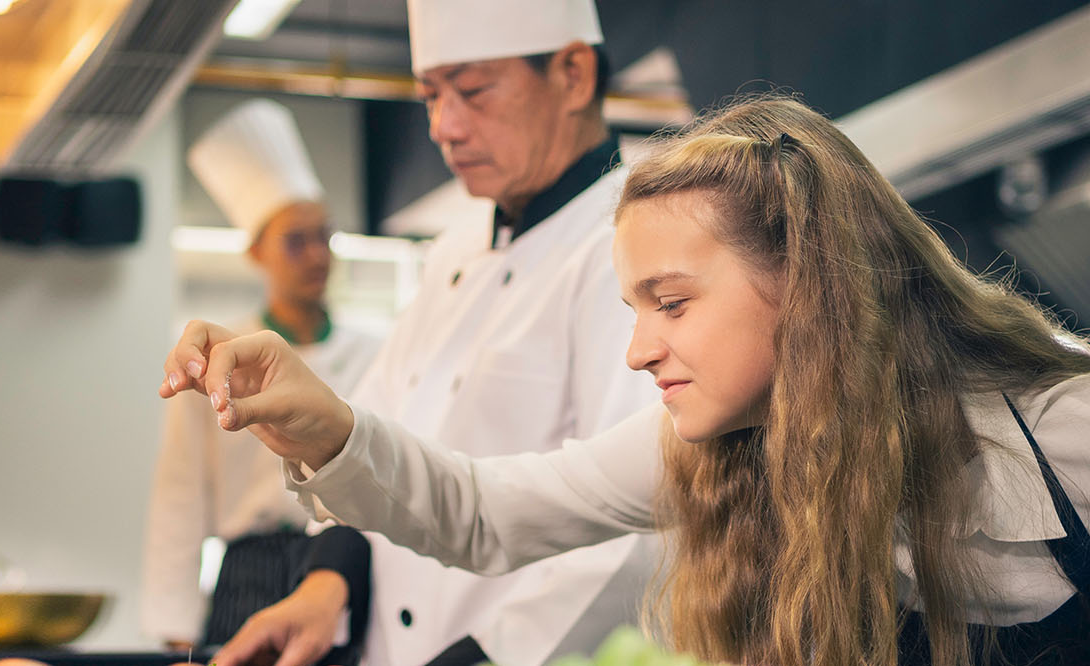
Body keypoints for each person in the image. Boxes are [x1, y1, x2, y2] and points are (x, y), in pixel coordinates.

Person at [160, 95, 1090, 665]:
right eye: (632, 309)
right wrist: (327, 427)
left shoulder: (1066, 434)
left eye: (672, 303)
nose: (638, 350)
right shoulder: (716, 448)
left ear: (804, 281)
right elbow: (484, 511)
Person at [162, 1, 662, 664]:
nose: (444, 128)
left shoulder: (634, 243)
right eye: (430, 95)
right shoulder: (452, 255)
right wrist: (327, 581)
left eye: (474, 91)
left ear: (572, 74)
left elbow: (634, 538)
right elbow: (379, 436)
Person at [141, 98, 382, 657]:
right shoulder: (217, 355)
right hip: (248, 571)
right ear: (255, 252)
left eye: (324, 236)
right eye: (295, 240)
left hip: (341, 565)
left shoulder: (376, 353)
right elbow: (181, 496)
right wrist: (177, 630)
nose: (316, 255)